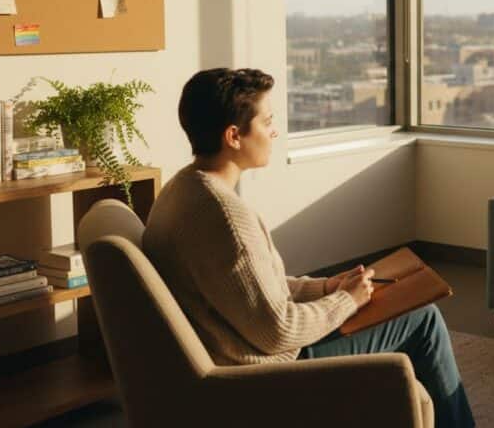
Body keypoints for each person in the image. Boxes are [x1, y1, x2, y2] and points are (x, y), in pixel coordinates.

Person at [143, 68, 474, 427]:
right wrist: (347, 301)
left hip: (244, 346)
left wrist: (328, 287)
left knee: (392, 305)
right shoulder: (225, 216)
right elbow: (279, 332)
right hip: (267, 371)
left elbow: (253, 288)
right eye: (267, 121)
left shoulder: (182, 190)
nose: (274, 131)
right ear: (234, 136)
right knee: (422, 320)